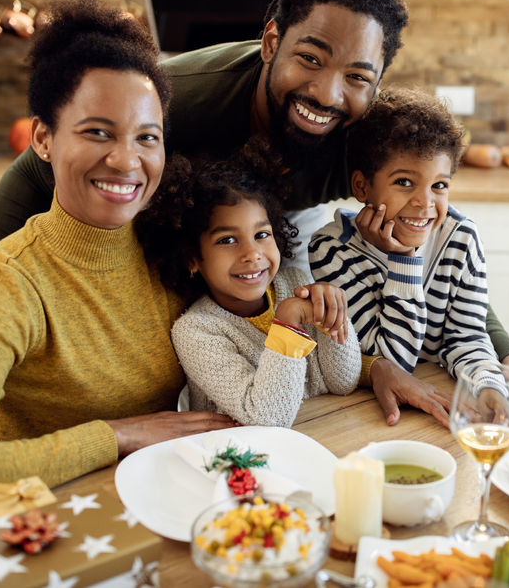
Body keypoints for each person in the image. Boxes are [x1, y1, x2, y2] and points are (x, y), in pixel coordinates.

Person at [0, 0, 509, 424]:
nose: (328, 93)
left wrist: (501, 350)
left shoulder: (359, 136)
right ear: (271, 41)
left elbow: (429, 223)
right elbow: (32, 168)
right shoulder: (182, 103)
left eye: (358, 75)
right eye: (310, 58)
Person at [0, 0, 237, 534]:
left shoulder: (169, 246)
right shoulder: (8, 281)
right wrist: (117, 434)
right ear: (44, 139)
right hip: (48, 535)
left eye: (148, 137)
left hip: (163, 518)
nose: (126, 159)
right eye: (97, 131)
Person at [135, 145, 361, 428]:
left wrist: (334, 316)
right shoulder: (197, 330)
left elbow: (344, 381)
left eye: (262, 234)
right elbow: (268, 419)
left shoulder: (295, 284)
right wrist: (288, 324)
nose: (252, 253)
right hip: (240, 461)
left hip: (318, 434)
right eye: (227, 240)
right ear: (191, 258)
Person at [309, 87, 507, 392]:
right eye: (404, 182)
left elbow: (467, 338)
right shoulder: (332, 252)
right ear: (362, 187)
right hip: (372, 405)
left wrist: (490, 387)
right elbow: (391, 362)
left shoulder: (461, 238)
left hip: (440, 393)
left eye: (439, 185)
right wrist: (404, 259)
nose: (425, 202)